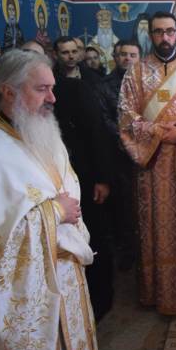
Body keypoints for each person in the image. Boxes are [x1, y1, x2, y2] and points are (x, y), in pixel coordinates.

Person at [0, 49, 102, 350]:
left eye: (52, 88)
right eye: (42, 89)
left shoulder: (41, 132)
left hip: (63, 272)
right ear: (8, 91)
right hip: (28, 297)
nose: (53, 99)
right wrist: (55, 213)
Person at [118, 11, 176, 315]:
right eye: (158, 32)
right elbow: (125, 118)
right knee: (156, 228)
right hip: (153, 166)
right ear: (151, 35)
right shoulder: (135, 73)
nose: (165, 37)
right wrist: (159, 132)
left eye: (170, 31)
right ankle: (158, 293)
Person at [52, 36, 114, 320]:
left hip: (87, 174)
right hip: (60, 179)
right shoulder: (57, 83)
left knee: (95, 234)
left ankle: (100, 299)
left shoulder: (85, 84)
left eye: (74, 51)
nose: (48, 97)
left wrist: (103, 177)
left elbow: (98, 133)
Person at [97, 39, 141, 270]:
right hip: (119, 154)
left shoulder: (147, 82)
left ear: (139, 58)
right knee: (123, 205)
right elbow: (104, 118)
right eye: (124, 54)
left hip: (145, 151)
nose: (128, 59)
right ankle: (127, 253)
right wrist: (125, 138)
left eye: (133, 55)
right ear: (116, 57)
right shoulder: (104, 85)